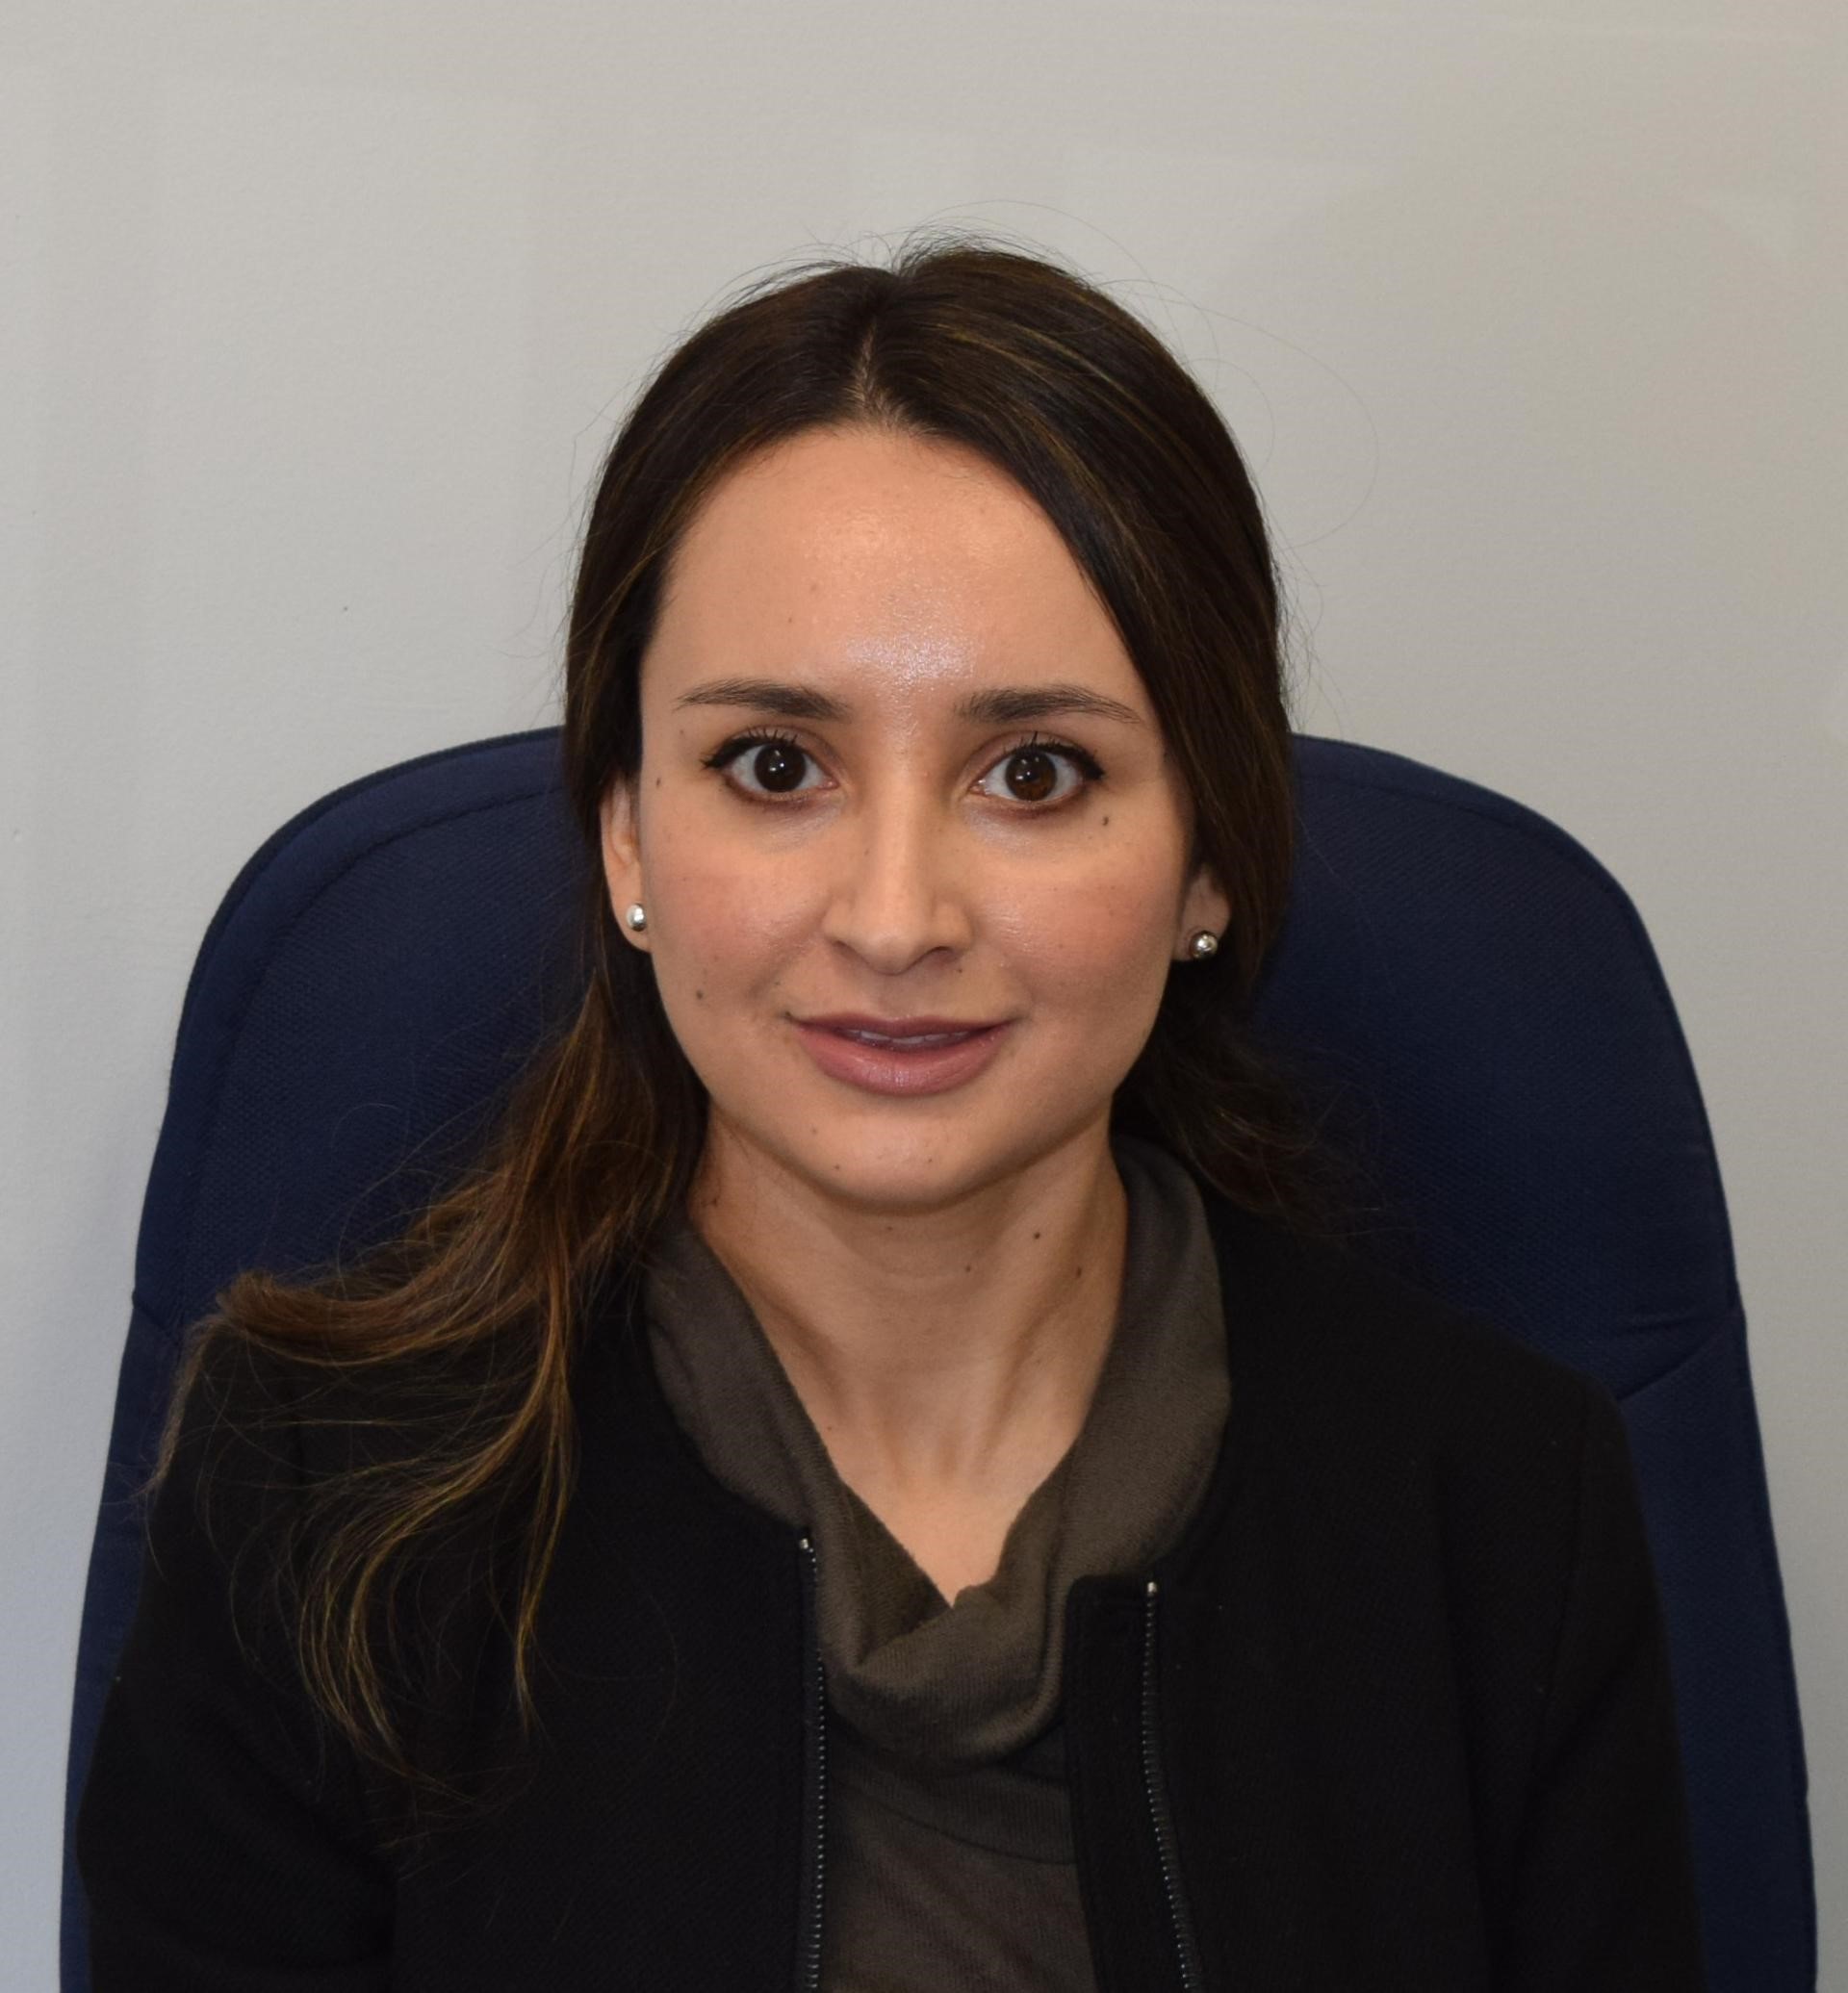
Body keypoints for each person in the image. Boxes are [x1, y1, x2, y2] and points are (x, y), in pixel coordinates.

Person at [75, 235, 1707, 1990]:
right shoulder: (323, 1495)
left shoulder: (1500, 1510)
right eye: (776, 767)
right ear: (625, 837)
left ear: (1210, 856)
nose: (895, 917)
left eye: (1036, 773)